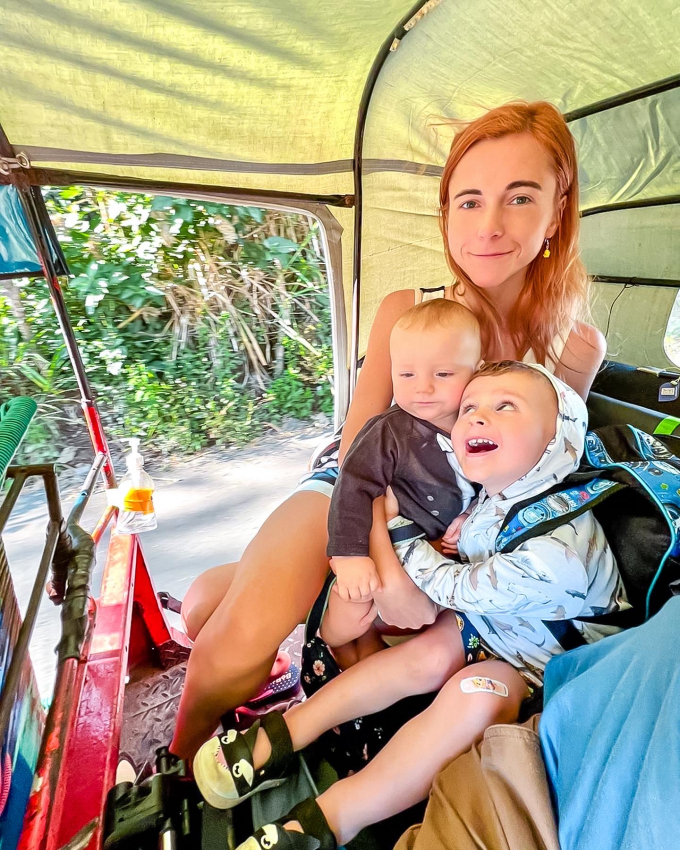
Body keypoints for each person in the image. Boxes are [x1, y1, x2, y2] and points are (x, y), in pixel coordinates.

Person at [171, 100, 607, 761]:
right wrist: (388, 569)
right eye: (469, 201)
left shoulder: (576, 348)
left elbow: (539, 480)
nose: (489, 225)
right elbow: (355, 456)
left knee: (210, 607)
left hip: (460, 526)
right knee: (233, 638)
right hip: (362, 494)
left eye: (519, 198)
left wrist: (445, 562)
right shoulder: (408, 310)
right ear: (445, 215)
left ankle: (265, 598)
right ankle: (176, 774)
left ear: (557, 211)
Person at [192, 362, 625, 850]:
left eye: (504, 406)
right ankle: (283, 736)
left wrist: (400, 529)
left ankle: (329, 820)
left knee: (477, 693)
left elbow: (452, 587)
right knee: (430, 653)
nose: (478, 418)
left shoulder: (562, 551)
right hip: (500, 630)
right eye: (469, 408)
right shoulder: (499, 497)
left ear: (560, 440)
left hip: (550, 669)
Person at [321, 297, 479, 661]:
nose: (422, 388)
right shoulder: (388, 431)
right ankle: (329, 642)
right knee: (355, 603)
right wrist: (349, 555)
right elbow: (353, 486)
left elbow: (497, 485)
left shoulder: (478, 426)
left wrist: (470, 517)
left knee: (419, 631)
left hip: (441, 558)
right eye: (406, 375)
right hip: (385, 551)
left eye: (442, 375)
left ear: (476, 370)